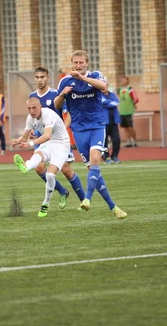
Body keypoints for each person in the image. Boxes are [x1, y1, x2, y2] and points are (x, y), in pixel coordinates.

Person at [54, 50, 127, 219]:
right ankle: (113, 207)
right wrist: (63, 93)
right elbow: (58, 105)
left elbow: (103, 87)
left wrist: (82, 78)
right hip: (79, 130)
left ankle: (87, 199)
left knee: (95, 160)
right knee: (93, 170)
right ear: (72, 63)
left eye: (81, 63)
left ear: (87, 63)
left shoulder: (95, 75)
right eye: (75, 63)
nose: (78, 66)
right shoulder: (65, 81)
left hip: (96, 126)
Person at [29, 65, 86, 208]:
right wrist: (32, 130)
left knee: (66, 169)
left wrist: (64, 129)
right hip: (42, 138)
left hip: (58, 139)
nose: (40, 80)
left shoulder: (56, 94)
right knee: (39, 167)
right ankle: (62, 191)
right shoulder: (32, 97)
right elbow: (34, 118)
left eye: (42, 77)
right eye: (37, 77)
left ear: (47, 78)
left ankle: (84, 199)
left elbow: (69, 114)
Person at [11, 98, 72, 218]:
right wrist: (18, 141)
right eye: (29, 108)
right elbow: (25, 136)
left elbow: (47, 135)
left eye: (34, 108)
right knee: (38, 156)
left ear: (40, 107)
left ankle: (46, 204)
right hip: (49, 143)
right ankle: (25, 166)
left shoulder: (48, 114)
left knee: (50, 175)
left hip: (62, 145)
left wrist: (30, 144)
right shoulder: (30, 118)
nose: (32, 111)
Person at [118, 76, 139, 147]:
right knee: (125, 128)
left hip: (129, 111)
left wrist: (133, 104)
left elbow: (136, 99)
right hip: (122, 111)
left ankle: (134, 141)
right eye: (122, 80)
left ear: (127, 81)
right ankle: (128, 142)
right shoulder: (120, 90)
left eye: (125, 80)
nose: (123, 81)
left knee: (130, 127)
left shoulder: (130, 89)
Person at [101, 90, 121, 164]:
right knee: (104, 141)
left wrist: (107, 102)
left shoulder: (112, 94)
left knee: (116, 139)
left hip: (114, 121)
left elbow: (117, 102)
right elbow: (102, 102)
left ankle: (114, 156)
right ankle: (106, 157)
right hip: (104, 122)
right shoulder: (99, 95)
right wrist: (111, 103)